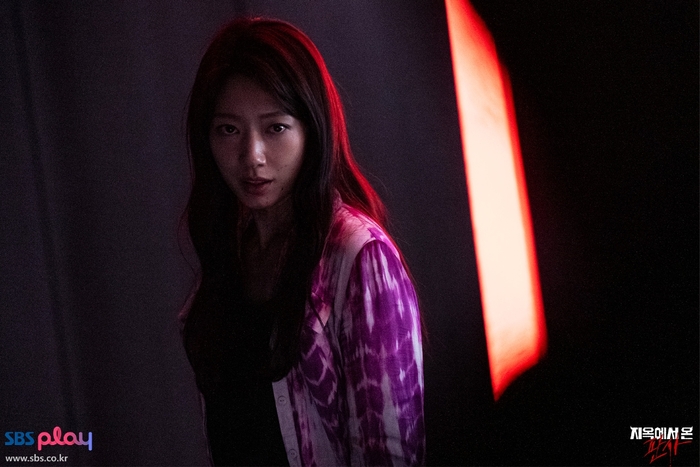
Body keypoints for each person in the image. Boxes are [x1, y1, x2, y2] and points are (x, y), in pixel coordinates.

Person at [181, 17, 424, 467]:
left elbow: (389, 451)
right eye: (229, 130)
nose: (252, 156)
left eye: (275, 128)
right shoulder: (230, 254)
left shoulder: (359, 257)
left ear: (312, 128)